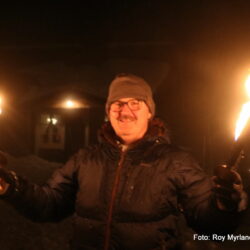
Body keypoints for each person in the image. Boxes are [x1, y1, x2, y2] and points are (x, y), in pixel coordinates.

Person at [0, 73, 247, 250]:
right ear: (108, 113)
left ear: (150, 112)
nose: (124, 110)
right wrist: (11, 187)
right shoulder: (86, 159)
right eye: (117, 104)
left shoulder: (176, 161)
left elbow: (213, 226)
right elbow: (49, 204)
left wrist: (225, 205)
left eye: (135, 103)